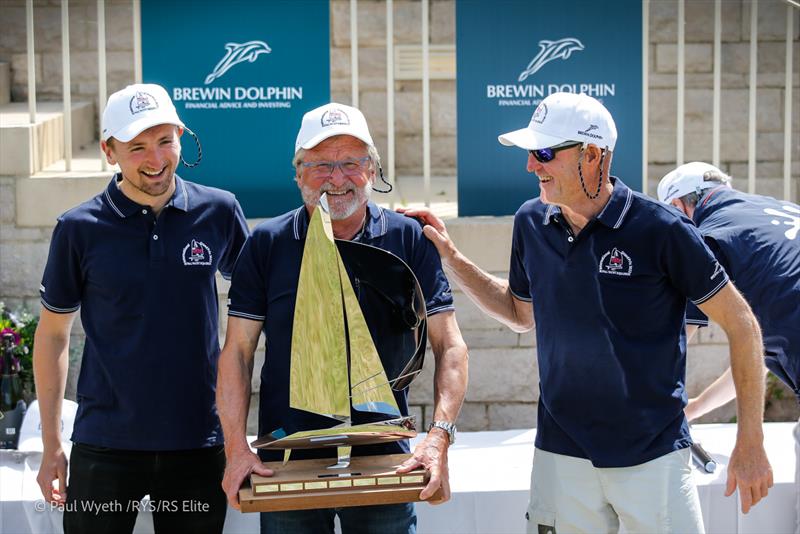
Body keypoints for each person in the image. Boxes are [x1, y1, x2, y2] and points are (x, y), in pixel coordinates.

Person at [401, 92, 773, 533]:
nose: (530, 167)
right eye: (529, 154)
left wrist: (751, 437)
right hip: (561, 454)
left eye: (543, 153)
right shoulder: (531, 221)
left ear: (593, 154)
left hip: (652, 455)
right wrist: (452, 257)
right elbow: (520, 313)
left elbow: (743, 325)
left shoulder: (663, 229)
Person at [216, 102, 468, 534]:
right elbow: (237, 353)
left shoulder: (407, 238)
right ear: (298, 174)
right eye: (321, 165)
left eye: (352, 163)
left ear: (372, 170)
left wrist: (438, 438)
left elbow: (451, 346)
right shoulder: (266, 244)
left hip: (385, 460)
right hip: (287, 461)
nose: (337, 178)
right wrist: (236, 448)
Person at [33, 83, 249, 534]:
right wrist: (52, 443)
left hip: (197, 442)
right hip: (104, 445)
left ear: (181, 138)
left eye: (166, 141)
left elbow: (260, 307)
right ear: (109, 151)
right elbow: (53, 334)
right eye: (137, 148)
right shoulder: (78, 228)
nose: (155, 160)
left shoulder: (219, 211)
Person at [657, 162, 799, 531]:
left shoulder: (708, 237)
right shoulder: (778, 209)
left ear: (678, 208)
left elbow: (672, 344)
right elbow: (758, 354)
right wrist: (697, 407)